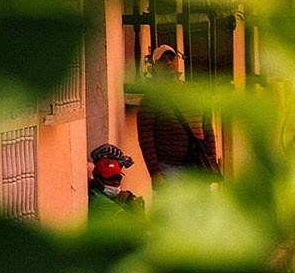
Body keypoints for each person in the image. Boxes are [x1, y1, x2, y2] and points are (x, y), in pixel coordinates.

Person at [135, 43, 216, 181]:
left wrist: (211, 159)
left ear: (177, 62)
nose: (168, 62)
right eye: (163, 60)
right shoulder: (150, 100)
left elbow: (207, 127)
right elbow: (146, 141)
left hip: (198, 167)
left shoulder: (194, 90)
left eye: (171, 58)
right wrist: (155, 174)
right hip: (169, 170)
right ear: (155, 67)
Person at [87, 143, 142, 214]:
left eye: (118, 178)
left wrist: (129, 196)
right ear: (97, 180)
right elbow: (141, 222)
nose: (116, 182)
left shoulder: (110, 196)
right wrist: (132, 202)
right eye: (110, 178)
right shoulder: (100, 200)